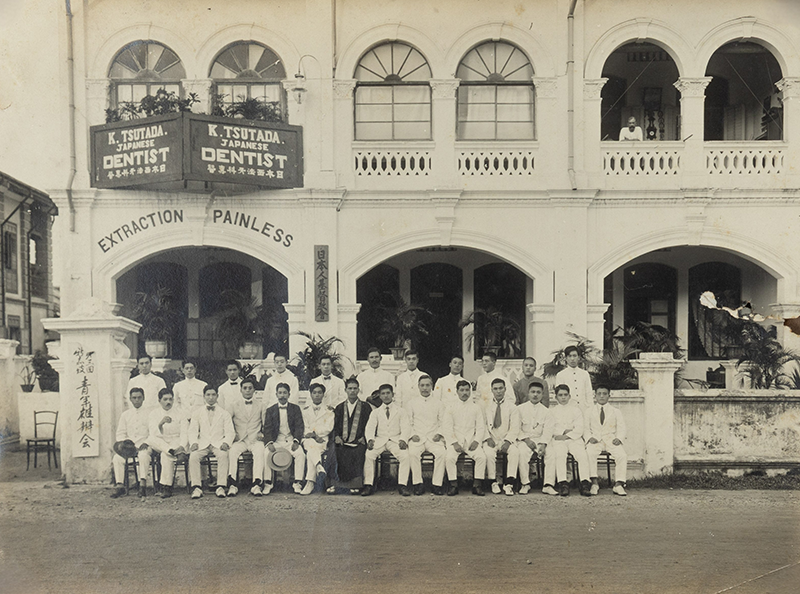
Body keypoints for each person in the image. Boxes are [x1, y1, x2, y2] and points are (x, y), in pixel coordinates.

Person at [361, 384, 411, 496]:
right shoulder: (376, 412)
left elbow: (406, 427)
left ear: (393, 395)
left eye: (388, 393)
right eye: (383, 394)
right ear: (380, 396)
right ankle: (368, 485)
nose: (386, 396)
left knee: (405, 456)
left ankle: (402, 485)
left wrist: (403, 439)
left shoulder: (401, 411)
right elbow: (370, 428)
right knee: (369, 455)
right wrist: (370, 439)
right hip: (380, 440)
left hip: (395, 440)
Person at [543, 384, 592, 497]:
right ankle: (563, 483)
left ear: (570, 396)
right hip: (558, 440)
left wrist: (565, 434)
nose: (563, 397)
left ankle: (584, 484)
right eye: (560, 395)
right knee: (560, 455)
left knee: (582, 455)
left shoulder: (576, 410)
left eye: (565, 395)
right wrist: (566, 430)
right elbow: (551, 427)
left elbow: (579, 428)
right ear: (556, 397)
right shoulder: (552, 411)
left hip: (574, 439)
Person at [187, 385, 235, 499]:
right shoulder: (197, 413)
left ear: (217, 396)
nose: (211, 397)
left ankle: (221, 486)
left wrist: (226, 443)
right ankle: (197, 487)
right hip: (202, 443)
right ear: (204, 397)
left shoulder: (224, 413)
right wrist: (194, 442)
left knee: (223, 455)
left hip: (218, 443)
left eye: (213, 395)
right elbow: (192, 431)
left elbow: (230, 432)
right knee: (193, 456)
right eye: (208, 395)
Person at [442, 379, 487, 496]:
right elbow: (447, 427)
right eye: (461, 390)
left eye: (467, 390)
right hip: (456, 441)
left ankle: (477, 485)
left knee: (481, 457)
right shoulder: (451, 407)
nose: (464, 393)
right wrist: (454, 442)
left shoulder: (476, 407)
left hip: (471, 440)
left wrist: (476, 441)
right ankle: (453, 485)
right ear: (457, 391)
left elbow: (481, 427)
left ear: (470, 391)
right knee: (449, 458)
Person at [262, 383, 307, 495]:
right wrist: (269, 443)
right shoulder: (270, 410)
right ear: (276, 394)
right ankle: (268, 483)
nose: (282, 395)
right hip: (276, 441)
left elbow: (299, 426)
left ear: (289, 394)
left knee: (300, 454)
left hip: (291, 440)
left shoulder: (295, 408)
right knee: (266, 453)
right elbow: (266, 428)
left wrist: (296, 441)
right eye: (280, 393)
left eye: (285, 393)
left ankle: (297, 483)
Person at [584, 385, 628, 496]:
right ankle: (594, 483)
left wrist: (619, 438)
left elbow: (622, 427)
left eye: (604, 393)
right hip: (595, 440)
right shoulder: (589, 411)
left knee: (622, 455)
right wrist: (589, 438)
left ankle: (619, 484)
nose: (602, 396)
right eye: (599, 394)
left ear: (609, 395)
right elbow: (585, 428)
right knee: (589, 454)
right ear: (595, 396)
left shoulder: (615, 411)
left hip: (611, 440)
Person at [226, 377, 267, 497]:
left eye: (250, 388)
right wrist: (233, 434)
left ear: (254, 390)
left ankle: (256, 484)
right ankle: (232, 484)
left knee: (260, 452)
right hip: (240, 439)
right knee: (232, 452)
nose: (247, 390)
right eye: (245, 388)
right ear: (241, 390)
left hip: (255, 439)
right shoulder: (233, 405)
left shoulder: (261, 405)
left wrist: (262, 433)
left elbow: (265, 423)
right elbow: (227, 422)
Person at [406, 375, 447, 495]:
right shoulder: (411, 403)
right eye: (422, 385)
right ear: (418, 387)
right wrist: (412, 434)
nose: (425, 388)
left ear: (432, 386)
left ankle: (437, 484)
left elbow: (443, 421)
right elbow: (408, 422)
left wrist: (439, 434)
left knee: (442, 453)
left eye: (427, 385)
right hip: (417, 437)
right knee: (413, 453)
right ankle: (418, 484)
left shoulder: (439, 403)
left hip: (433, 437)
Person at [332, 378, 372, 493]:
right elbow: (335, 426)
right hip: (343, 441)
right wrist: (337, 436)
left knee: (359, 452)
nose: (352, 391)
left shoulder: (365, 407)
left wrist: (364, 437)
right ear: (345, 390)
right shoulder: (339, 407)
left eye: (355, 388)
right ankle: (337, 485)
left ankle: (355, 485)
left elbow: (370, 425)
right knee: (336, 451)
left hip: (359, 441)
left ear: (359, 390)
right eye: (350, 388)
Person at [110, 387, 152, 499]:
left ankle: (142, 485)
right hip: (129, 448)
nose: (137, 400)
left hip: (144, 445)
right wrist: (125, 445)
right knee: (117, 458)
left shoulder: (150, 414)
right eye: (134, 398)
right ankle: (120, 486)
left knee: (143, 456)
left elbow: (153, 433)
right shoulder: (125, 415)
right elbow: (120, 433)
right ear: (130, 399)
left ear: (144, 398)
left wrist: (146, 442)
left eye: (139, 397)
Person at [147, 387, 188, 499]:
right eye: (165, 399)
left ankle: (166, 487)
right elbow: (154, 433)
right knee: (151, 438)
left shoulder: (180, 413)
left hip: (176, 441)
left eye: (170, 399)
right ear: (159, 400)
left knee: (165, 455)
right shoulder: (154, 414)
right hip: (160, 441)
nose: (168, 402)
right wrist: (160, 424)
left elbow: (185, 432)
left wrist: (182, 446)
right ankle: (171, 451)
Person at [482, 378, 520, 496]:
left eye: (501, 388)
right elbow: (481, 424)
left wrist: (508, 441)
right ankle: (493, 481)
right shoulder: (485, 406)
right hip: (491, 438)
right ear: (491, 390)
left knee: (514, 452)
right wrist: (487, 438)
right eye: (495, 389)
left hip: (506, 439)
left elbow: (515, 426)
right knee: (488, 454)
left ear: (505, 389)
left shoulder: (512, 407)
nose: (498, 391)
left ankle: (509, 483)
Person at [515, 381, 552, 495]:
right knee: (522, 453)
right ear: (528, 393)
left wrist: (543, 444)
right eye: (533, 392)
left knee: (551, 453)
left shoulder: (546, 411)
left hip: (540, 439)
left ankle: (548, 484)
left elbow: (548, 430)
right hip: (524, 440)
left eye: (538, 392)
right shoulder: (520, 409)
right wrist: (526, 440)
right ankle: (525, 483)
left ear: (542, 394)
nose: (535, 395)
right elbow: (516, 428)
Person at [300, 383, 335, 495]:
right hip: (308, 438)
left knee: (311, 451)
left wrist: (315, 434)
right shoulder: (305, 410)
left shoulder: (329, 411)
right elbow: (304, 427)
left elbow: (328, 427)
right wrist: (312, 435)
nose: (317, 395)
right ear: (310, 394)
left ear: (323, 395)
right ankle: (318, 466)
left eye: (319, 392)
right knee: (310, 444)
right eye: (314, 392)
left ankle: (310, 482)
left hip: (322, 440)